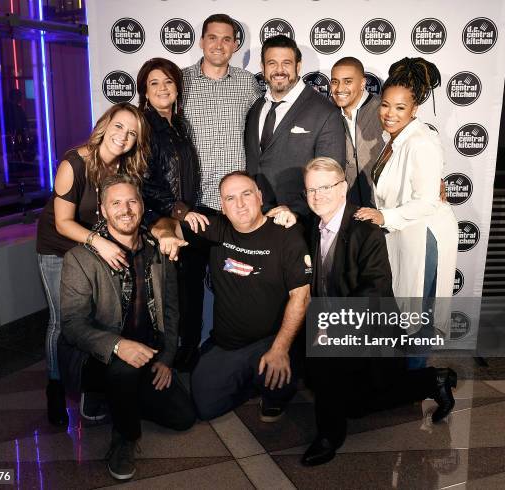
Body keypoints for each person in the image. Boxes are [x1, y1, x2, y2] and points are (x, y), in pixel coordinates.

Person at [302, 157, 457, 467]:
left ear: (343, 188)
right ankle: (433, 380)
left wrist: (335, 324)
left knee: (329, 362)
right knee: (359, 403)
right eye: (310, 190)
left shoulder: (365, 231)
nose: (318, 195)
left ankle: (329, 436)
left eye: (325, 187)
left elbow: (375, 289)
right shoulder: (312, 225)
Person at [58, 175, 195, 481]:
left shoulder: (158, 249)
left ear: (142, 205)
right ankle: (124, 437)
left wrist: (167, 357)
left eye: (132, 201)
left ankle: (119, 398)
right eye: (116, 203)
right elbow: (73, 325)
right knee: (123, 370)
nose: (126, 209)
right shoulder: (79, 259)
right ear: (104, 212)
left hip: (148, 352)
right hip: (98, 357)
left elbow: (171, 310)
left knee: (183, 417)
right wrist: (119, 346)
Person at [151, 171, 311, 421]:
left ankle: (275, 385)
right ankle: (249, 380)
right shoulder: (215, 229)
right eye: (230, 198)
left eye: (246, 194)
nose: (240, 204)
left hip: (272, 341)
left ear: (259, 197)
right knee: (206, 406)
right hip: (228, 343)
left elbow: (301, 297)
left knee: (278, 376)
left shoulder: (286, 234)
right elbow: (163, 223)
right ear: (222, 207)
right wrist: (166, 235)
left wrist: (280, 348)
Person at [36, 102, 149, 426]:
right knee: (62, 321)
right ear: (105, 124)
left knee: (100, 318)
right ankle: (56, 388)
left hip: (96, 250)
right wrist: (99, 243)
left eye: (131, 133)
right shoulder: (74, 162)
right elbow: (63, 223)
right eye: (119, 127)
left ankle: (91, 385)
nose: (123, 136)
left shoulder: (126, 168)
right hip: (59, 249)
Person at [355, 57, 459, 367]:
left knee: (419, 312)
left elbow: (428, 201)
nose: (389, 114)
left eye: (400, 108)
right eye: (385, 105)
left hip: (424, 236)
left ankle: (421, 383)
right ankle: (406, 379)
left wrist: (384, 217)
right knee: (405, 309)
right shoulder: (395, 138)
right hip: (405, 234)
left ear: (414, 110)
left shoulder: (421, 142)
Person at [136, 57, 204, 370]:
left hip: (184, 220)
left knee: (189, 291)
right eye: (154, 83)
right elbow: (144, 181)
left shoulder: (178, 123)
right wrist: (178, 211)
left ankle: (186, 356)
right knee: (169, 298)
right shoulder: (144, 126)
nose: (163, 88)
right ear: (144, 92)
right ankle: (167, 361)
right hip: (161, 223)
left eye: (168, 82)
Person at [245, 35, 346, 219]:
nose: (279, 70)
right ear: (263, 67)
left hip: (300, 223)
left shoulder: (325, 113)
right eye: (272, 63)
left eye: (286, 63)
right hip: (256, 220)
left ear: (298, 66)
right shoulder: (256, 108)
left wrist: (295, 211)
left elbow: (330, 178)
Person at [182, 13, 262, 214]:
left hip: (239, 201)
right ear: (201, 42)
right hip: (194, 200)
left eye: (226, 39)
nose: (219, 45)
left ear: (235, 45)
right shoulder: (180, 80)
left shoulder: (247, 82)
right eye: (212, 38)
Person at [330, 57, 383, 207]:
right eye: (335, 81)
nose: (340, 88)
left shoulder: (384, 109)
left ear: (362, 83)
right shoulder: (327, 114)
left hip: (385, 209)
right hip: (347, 210)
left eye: (347, 81)